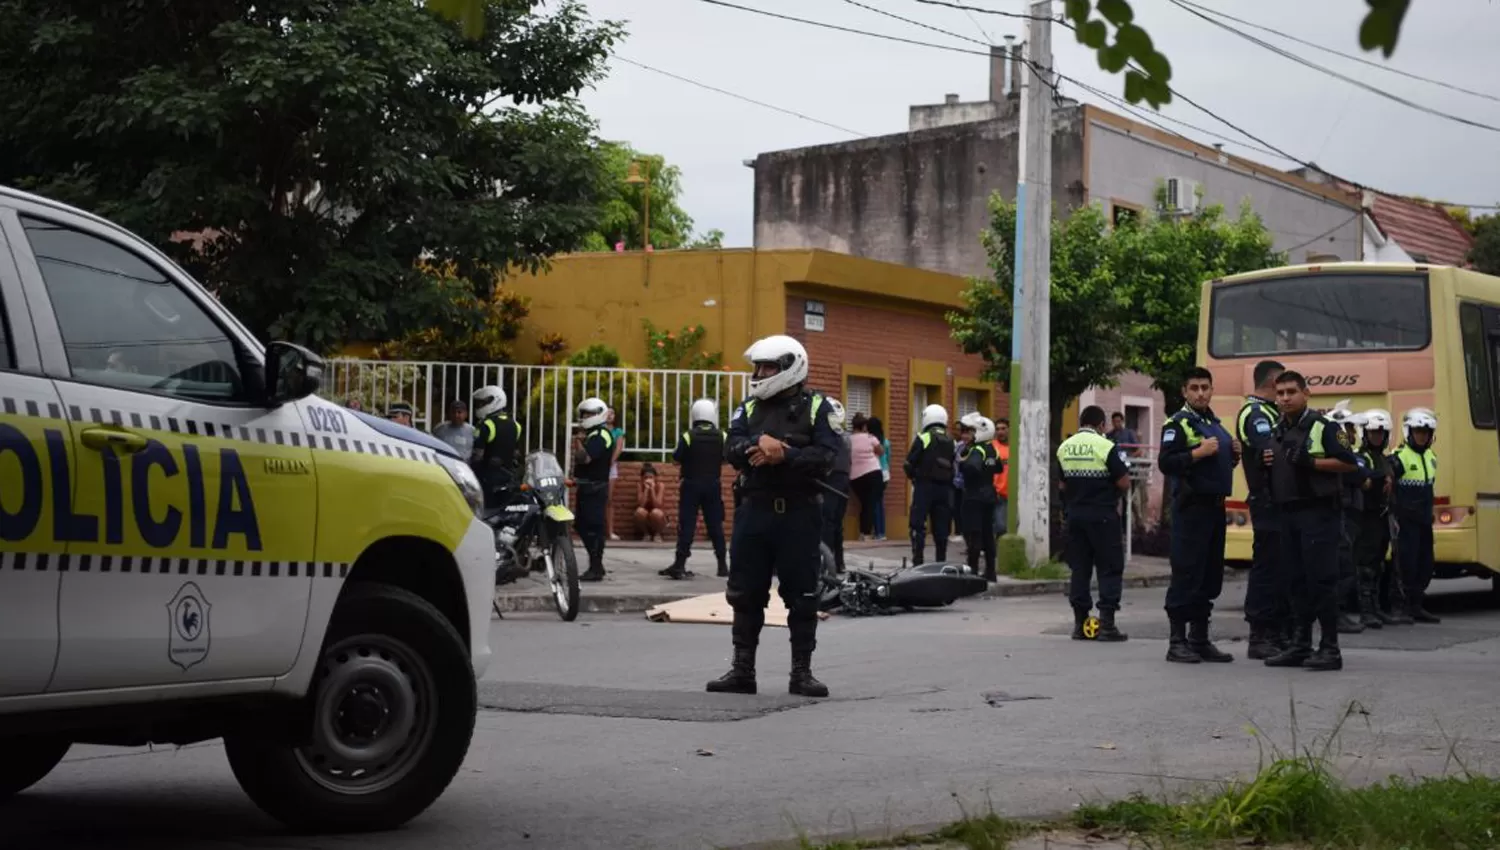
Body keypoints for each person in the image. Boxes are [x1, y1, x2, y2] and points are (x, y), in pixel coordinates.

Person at [707, 335, 840, 698]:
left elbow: (829, 456)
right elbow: (730, 447)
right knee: (745, 592)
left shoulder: (819, 408)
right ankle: (742, 671)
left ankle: (802, 674)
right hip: (755, 511)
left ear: (790, 367)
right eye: (758, 367)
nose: (760, 373)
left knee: (803, 594)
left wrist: (785, 454)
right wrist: (757, 445)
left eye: (768, 367)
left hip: (799, 514)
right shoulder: (748, 408)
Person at [1264, 371, 1360, 671]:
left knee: (1321, 580)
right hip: (1288, 513)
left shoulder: (1323, 427)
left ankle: (1330, 648)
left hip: (1319, 513)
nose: (1284, 398)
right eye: (1279, 393)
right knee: (1295, 580)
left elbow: (1350, 463)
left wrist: (1313, 462)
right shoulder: (1278, 428)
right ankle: (1300, 644)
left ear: (1306, 394)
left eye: (1291, 391)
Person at [1158, 367, 1239, 664]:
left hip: (1214, 508)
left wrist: (1234, 454)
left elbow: (1218, 465)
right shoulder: (1178, 424)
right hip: (1191, 509)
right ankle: (1177, 641)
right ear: (1184, 391)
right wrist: (1198, 453)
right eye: (1194, 388)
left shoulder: (1213, 423)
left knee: (1209, 574)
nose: (1201, 393)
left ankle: (1200, 638)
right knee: (1187, 572)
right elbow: (1166, 462)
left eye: (1205, 387)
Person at [1056, 405, 1132, 641]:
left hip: (1075, 517)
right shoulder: (1106, 446)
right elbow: (1124, 482)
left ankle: (1080, 625)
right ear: (1101, 425)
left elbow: (1062, 486)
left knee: (1080, 569)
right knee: (1109, 568)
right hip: (1103, 517)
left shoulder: (1064, 447)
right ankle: (1107, 625)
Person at [1235, 360, 1287, 660]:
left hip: (1280, 501)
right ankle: (1260, 635)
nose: (1284, 394)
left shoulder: (1274, 413)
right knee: (1267, 569)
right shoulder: (1255, 414)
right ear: (1272, 382)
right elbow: (1272, 450)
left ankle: (1278, 631)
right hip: (1266, 500)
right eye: (1282, 386)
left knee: (1281, 569)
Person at [664, 398, 728, 579]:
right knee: (715, 525)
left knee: (687, 525)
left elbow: (676, 459)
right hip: (713, 485)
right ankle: (722, 565)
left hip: (691, 485)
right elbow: (727, 458)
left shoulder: (688, 436)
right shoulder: (722, 436)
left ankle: (680, 563)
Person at [1390, 408, 1440, 623]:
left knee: (1425, 564)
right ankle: (1400, 607)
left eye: (1426, 432)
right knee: (1405, 564)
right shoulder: (1398, 458)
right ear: (1409, 432)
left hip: (1423, 521)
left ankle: (1416, 606)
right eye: (1418, 431)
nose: (1422, 436)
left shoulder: (1431, 457)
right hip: (1405, 521)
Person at [1354, 409, 1403, 626]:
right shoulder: (1361, 456)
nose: (1377, 437)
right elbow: (1362, 476)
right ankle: (1366, 611)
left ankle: (1376, 607)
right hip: (1367, 518)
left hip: (1383, 517)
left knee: (1379, 564)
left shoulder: (1384, 459)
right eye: (1373, 433)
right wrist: (1382, 477)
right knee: (1366, 564)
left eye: (1381, 434)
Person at [1325, 404, 1367, 635]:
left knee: (1348, 564)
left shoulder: (1347, 454)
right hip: (1342, 512)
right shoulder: (1338, 456)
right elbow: (1360, 474)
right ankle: (1336, 614)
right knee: (1341, 567)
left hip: (1351, 513)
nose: (1353, 433)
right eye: (1349, 428)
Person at [904, 404, 955, 565]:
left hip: (924, 487)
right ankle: (941, 561)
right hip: (944, 489)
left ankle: (918, 560)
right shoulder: (951, 441)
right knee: (941, 528)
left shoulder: (923, 437)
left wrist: (913, 476)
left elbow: (909, 462)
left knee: (918, 525)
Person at [572, 397, 615, 582]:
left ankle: (596, 567)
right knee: (582, 525)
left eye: (589, 414)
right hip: (588, 486)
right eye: (584, 414)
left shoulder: (600, 435)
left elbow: (586, 458)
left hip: (595, 488)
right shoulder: (593, 434)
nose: (585, 417)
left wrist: (578, 442)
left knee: (592, 528)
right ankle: (597, 565)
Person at [958, 413, 1001, 581]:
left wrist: (962, 463)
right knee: (988, 535)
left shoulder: (977, 450)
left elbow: (972, 468)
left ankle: (973, 570)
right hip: (989, 495)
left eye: (970, 432)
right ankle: (991, 571)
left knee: (973, 534)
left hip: (974, 496)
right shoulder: (991, 449)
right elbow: (997, 468)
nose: (965, 436)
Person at [472, 385, 523, 506]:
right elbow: (516, 453)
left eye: (483, 403)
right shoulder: (516, 425)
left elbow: (477, 456)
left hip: (487, 478)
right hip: (509, 477)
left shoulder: (486, 425)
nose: (480, 406)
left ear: (495, 401)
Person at [820, 398, 852, 574]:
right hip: (843, 482)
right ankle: (839, 563)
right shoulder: (846, 437)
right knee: (837, 524)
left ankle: (827, 563)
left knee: (827, 523)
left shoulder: (831, 438)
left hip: (831, 481)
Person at [847, 413, 885, 540]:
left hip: (855, 477)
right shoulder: (870, 437)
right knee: (871, 504)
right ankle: (867, 533)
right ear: (864, 426)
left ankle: (864, 533)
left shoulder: (848, 440)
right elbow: (881, 451)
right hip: (873, 472)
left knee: (865, 504)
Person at [605, 408, 626, 542]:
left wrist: (609, 462)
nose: (609, 415)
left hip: (610, 468)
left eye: (612, 412)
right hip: (596, 467)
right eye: (607, 412)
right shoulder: (598, 430)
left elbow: (619, 448)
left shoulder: (618, 431)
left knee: (609, 499)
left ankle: (610, 531)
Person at [870, 416, 891, 540]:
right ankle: (881, 531)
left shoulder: (872, 442)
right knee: (880, 503)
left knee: (875, 503)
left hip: (875, 471)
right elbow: (888, 458)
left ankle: (878, 532)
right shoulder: (886, 441)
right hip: (885, 473)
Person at [992, 418, 1011, 536]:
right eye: (998, 429)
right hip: (997, 493)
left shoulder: (1016, 447)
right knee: (1000, 526)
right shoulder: (992, 447)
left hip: (1012, 495)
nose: (1000, 432)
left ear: (1009, 430)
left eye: (1003, 429)